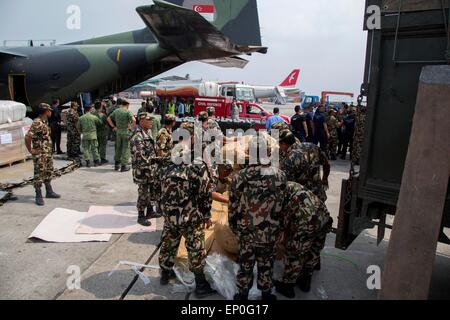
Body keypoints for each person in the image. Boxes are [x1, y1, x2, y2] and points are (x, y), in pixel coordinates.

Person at [157, 122, 216, 299]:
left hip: (169, 214)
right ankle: (201, 285)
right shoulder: (197, 162)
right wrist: (206, 214)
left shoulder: (166, 158)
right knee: (195, 248)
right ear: (192, 137)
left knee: (169, 242)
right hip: (190, 216)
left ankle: (165, 274)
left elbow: (158, 183)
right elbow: (206, 193)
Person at [229, 136, 287, 301]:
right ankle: (267, 294)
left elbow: (233, 205)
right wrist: (281, 228)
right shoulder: (280, 175)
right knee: (266, 263)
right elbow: (284, 205)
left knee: (245, 263)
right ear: (269, 152)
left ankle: (242, 295)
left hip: (246, 230)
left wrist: (234, 226)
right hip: (270, 231)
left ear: (250, 152)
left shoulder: (241, 176)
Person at [275, 182, 333, 298]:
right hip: (323, 217)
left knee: (294, 253)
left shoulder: (279, 195)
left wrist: (283, 242)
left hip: (307, 222)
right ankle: (305, 280)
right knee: (313, 249)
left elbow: (285, 225)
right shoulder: (292, 185)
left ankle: (288, 286)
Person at [279, 130, 330, 203]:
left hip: (303, 201)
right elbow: (326, 164)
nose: (280, 148)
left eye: (279, 145)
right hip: (318, 195)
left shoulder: (289, 159)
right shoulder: (312, 146)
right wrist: (325, 178)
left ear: (283, 144)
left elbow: (287, 185)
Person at [25, 103, 61, 206]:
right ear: (45, 111)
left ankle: (49, 191)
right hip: (40, 154)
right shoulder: (37, 122)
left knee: (48, 171)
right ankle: (38, 195)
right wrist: (31, 150)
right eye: (49, 110)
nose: (50, 112)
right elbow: (28, 137)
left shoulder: (44, 121)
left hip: (47, 153)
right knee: (39, 174)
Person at [130, 113, 159, 226]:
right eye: (148, 120)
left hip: (149, 169)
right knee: (143, 193)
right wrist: (155, 163)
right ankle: (141, 215)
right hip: (143, 171)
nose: (151, 122)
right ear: (141, 121)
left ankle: (150, 211)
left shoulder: (146, 133)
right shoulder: (138, 136)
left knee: (151, 191)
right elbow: (140, 158)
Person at [107, 99, 136, 172]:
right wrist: (131, 128)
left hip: (118, 132)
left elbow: (108, 118)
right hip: (126, 131)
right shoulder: (127, 111)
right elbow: (134, 120)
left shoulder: (116, 111)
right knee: (125, 148)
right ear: (127, 104)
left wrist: (113, 127)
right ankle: (124, 166)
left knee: (118, 148)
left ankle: (117, 164)